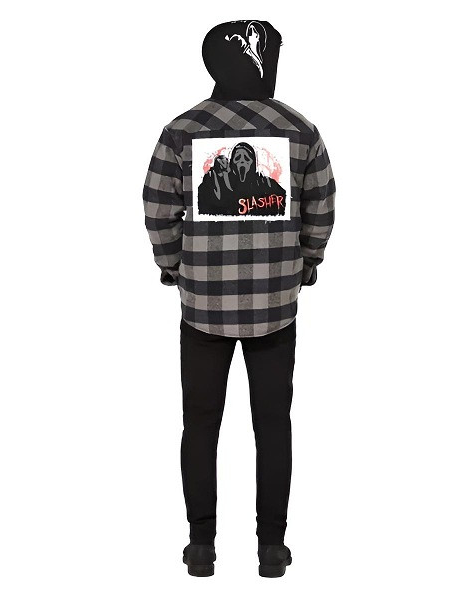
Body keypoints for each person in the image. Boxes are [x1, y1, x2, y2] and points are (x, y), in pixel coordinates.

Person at [143, 20, 335, 577]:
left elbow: (157, 209)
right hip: (275, 306)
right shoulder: (300, 130)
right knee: (273, 424)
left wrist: (174, 267)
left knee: (200, 423)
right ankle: (271, 548)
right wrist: (305, 264)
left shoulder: (182, 130)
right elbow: (322, 209)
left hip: (203, 307)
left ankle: (200, 546)